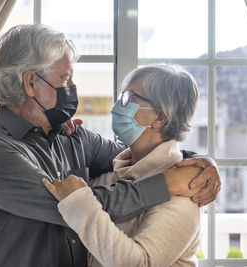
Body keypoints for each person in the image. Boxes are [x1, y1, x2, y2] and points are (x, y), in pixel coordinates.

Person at [0, 24, 220, 267]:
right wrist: (167, 183)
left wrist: (200, 164)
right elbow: (74, 206)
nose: (72, 87)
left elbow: (144, 157)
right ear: (31, 83)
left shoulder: (74, 138)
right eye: (64, 79)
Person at [43, 64, 203, 267]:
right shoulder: (112, 173)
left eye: (129, 98)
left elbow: (138, 263)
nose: (116, 107)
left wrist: (79, 203)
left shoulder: (184, 193)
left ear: (160, 118)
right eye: (121, 97)